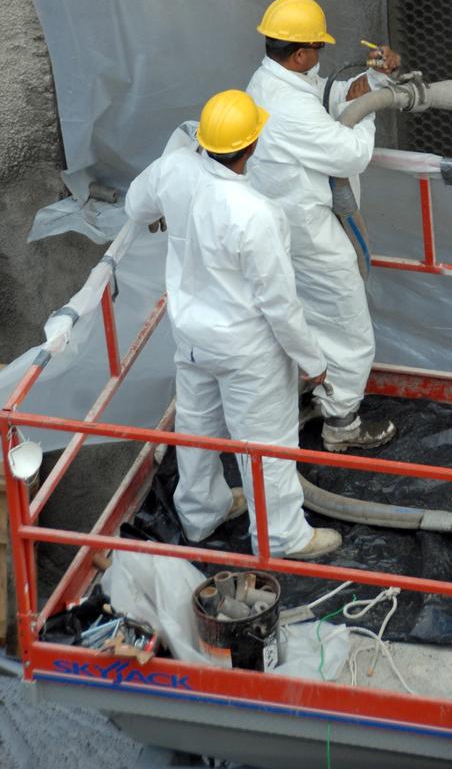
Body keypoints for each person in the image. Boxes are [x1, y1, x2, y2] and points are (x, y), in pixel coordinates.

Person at [124, 89, 342, 560]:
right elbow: (280, 305)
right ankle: (282, 536)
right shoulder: (256, 215)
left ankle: (200, 516)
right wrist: (313, 362)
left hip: (193, 340)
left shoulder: (174, 169)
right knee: (266, 446)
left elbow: (134, 207)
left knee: (198, 430)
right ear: (253, 145)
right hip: (249, 352)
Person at [246, 0, 398, 453]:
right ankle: (343, 425)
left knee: (307, 315)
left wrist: (374, 78)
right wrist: (366, 111)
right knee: (347, 318)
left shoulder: (271, 81)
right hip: (309, 231)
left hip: (285, 226)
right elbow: (349, 151)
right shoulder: (287, 106)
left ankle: (316, 395)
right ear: (299, 53)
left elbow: (324, 96)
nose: (321, 55)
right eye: (317, 48)